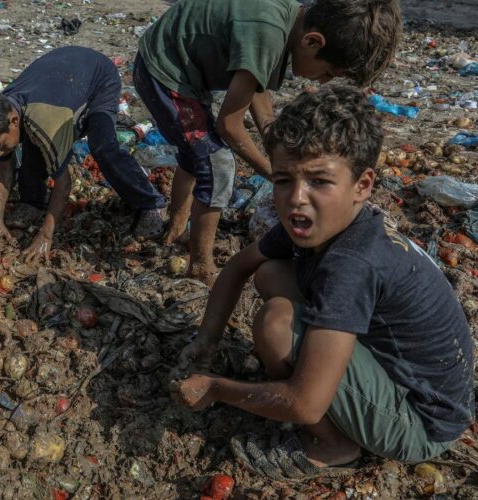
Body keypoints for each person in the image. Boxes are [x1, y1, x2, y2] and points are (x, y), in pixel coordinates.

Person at [171, 86, 474, 479]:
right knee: (270, 272)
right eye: (283, 180)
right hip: (405, 374)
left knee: (275, 322)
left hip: (420, 422)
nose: (297, 198)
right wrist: (206, 341)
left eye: (319, 181)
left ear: (362, 186)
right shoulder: (324, 223)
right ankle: (328, 385)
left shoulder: (352, 263)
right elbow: (240, 267)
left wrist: (216, 387)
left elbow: (304, 404)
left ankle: (333, 445)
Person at [133, 0, 402, 285]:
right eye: (327, 74)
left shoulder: (286, 18)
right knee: (218, 164)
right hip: (164, 72)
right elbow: (228, 125)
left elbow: (254, 86)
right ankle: (200, 265)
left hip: (173, 63)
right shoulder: (268, 33)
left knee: (196, 154)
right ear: (312, 42)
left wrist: (277, 142)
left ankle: (176, 228)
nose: (323, 82)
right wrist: (276, 174)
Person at [0, 46, 169, 262]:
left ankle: (151, 203)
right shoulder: (1, 111)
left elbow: (64, 183)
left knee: (103, 147)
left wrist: (46, 235)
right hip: (62, 76)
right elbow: (4, 166)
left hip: (98, 79)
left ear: (13, 120)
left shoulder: (44, 122)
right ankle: (32, 202)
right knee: (29, 141)